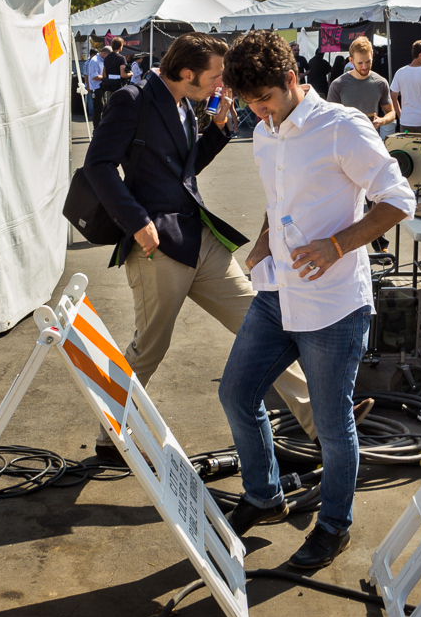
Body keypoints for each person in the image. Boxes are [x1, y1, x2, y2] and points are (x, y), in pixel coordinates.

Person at [216, 30, 416, 568]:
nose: (259, 113)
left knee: (331, 424)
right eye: (249, 104)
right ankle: (263, 495)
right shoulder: (264, 132)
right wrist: (263, 239)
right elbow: (279, 195)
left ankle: (334, 526)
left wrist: (337, 244)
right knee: (236, 393)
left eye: (265, 100)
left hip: (332, 305)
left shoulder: (340, 127)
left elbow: (398, 199)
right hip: (277, 293)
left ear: (290, 79)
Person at [83, 32, 316, 457]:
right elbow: (96, 165)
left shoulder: (185, 104)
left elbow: (184, 172)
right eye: (215, 77)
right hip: (157, 246)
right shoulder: (133, 100)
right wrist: (137, 223)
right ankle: (109, 433)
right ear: (187, 73)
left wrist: (221, 131)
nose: (221, 85)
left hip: (200, 238)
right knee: (149, 348)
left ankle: (319, 420)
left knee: (259, 322)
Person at [327, 37, 396, 132]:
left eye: (368, 62)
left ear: (372, 56)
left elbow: (391, 112)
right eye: (360, 63)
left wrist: (381, 121)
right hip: (345, 142)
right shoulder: (338, 85)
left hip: (372, 140)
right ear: (351, 60)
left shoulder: (381, 83)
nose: (365, 66)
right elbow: (330, 117)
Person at [391, 40, 421, 134]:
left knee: (406, 148)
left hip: (406, 121)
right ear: (420, 55)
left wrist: (401, 115)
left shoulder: (400, 72)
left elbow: (393, 96)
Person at [98, 37, 131, 119]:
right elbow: (123, 74)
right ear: (120, 46)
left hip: (109, 86)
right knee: (120, 108)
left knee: (110, 107)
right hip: (119, 86)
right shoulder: (121, 58)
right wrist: (130, 74)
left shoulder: (107, 58)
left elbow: (104, 74)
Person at [85, 46, 109, 118]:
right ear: (104, 53)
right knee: (98, 109)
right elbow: (94, 76)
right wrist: (106, 78)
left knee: (102, 108)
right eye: (108, 56)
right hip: (97, 88)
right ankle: (96, 127)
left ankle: (100, 126)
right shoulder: (95, 61)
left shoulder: (101, 60)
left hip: (101, 87)